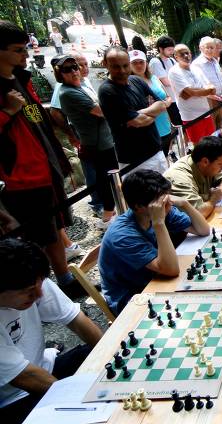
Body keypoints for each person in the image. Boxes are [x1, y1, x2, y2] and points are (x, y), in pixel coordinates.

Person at [0, 21, 85, 298]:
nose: (25, 55)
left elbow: (37, 117)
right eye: (17, 50)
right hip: (21, 177)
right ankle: (41, 289)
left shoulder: (21, 79)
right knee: (37, 236)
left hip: (45, 165)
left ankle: (63, 279)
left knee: (55, 227)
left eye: (25, 48)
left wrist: (61, 138)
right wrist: (8, 113)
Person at [0, 238, 103, 423]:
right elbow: (24, 377)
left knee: (104, 357)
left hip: (44, 366)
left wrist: (112, 357)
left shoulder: (33, 277)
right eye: (29, 291)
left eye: (40, 285)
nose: (39, 295)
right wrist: (80, 406)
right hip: (12, 398)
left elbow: (77, 320)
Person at [99, 170, 209, 315]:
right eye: (161, 201)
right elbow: (171, 270)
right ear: (138, 206)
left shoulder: (161, 210)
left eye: (167, 197)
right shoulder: (122, 235)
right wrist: (159, 223)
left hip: (157, 279)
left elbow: (203, 230)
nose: (168, 203)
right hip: (132, 298)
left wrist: (185, 204)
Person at [54, 54, 118, 231]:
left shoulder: (81, 86)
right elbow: (100, 111)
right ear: (60, 74)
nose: (74, 71)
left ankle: (110, 214)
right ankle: (107, 217)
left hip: (103, 140)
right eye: (67, 69)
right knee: (105, 180)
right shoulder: (67, 93)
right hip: (97, 144)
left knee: (107, 179)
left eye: (75, 67)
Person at [98, 47, 168, 174]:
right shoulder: (107, 91)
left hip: (156, 150)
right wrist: (151, 113)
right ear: (105, 64)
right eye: (116, 67)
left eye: (125, 65)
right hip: (134, 160)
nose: (122, 71)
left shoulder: (136, 80)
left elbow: (162, 105)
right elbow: (138, 121)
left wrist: (139, 113)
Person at [164, 136, 222, 218]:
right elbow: (199, 213)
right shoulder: (181, 179)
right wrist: (213, 199)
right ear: (205, 162)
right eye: (220, 164)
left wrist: (217, 192)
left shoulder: (205, 165)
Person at [167, 44, 217, 144]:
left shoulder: (196, 68)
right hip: (191, 116)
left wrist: (194, 92)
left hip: (205, 112)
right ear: (175, 56)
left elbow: (212, 88)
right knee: (199, 146)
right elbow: (190, 93)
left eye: (188, 53)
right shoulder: (174, 72)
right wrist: (202, 91)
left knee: (212, 143)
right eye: (182, 54)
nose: (186, 56)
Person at [129, 49, 174, 156]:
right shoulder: (129, 83)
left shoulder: (154, 78)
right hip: (148, 128)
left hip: (164, 125)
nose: (139, 65)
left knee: (165, 156)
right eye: (135, 63)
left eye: (141, 62)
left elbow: (167, 97)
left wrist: (165, 105)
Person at [191, 37, 222, 129]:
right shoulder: (196, 64)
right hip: (208, 100)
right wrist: (214, 96)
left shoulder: (215, 61)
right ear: (201, 48)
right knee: (212, 127)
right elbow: (200, 85)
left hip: (221, 99)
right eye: (207, 47)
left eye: (212, 47)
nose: (210, 50)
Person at [148, 35, 181, 125]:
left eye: (172, 49)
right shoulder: (155, 62)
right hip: (168, 101)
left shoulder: (171, 60)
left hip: (177, 98)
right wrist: (179, 82)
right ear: (161, 49)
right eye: (169, 50)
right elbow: (165, 82)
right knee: (176, 125)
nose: (171, 52)